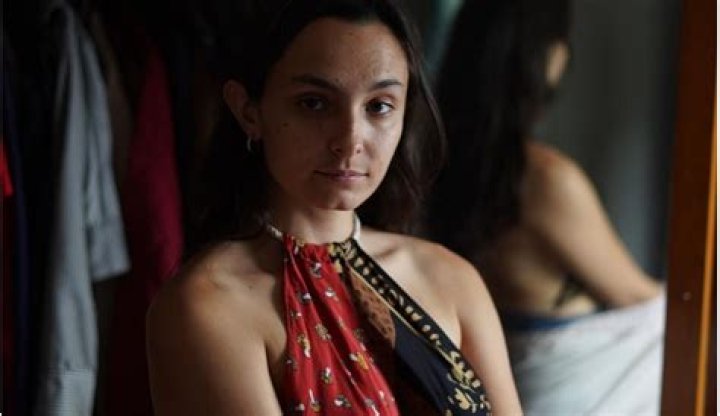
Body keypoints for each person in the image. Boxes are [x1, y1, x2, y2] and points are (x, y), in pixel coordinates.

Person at [145, 1, 523, 414]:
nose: (350, 139)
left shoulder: (451, 278)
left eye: (379, 106)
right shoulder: (211, 302)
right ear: (249, 111)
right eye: (314, 103)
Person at [429, 0, 665, 414]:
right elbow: (635, 296)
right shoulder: (545, 179)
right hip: (559, 395)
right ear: (548, 52)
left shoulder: (436, 164)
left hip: (501, 382)